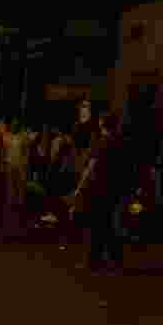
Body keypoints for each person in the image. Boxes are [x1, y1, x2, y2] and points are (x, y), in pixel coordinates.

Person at [72, 113, 130, 273]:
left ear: (102, 123)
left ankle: (93, 261)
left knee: (96, 225)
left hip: (98, 188)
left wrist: (79, 188)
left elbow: (91, 167)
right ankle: (112, 259)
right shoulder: (120, 142)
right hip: (113, 189)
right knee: (106, 224)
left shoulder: (102, 142)